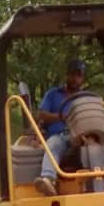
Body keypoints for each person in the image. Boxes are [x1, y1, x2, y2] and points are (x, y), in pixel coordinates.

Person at [34, 59, 86, 196]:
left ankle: (99, 182)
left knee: (94, 146)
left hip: (79, 135)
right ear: (67, 75)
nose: (75, 78)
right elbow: (41, 115)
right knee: (53, 144)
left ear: (82, 78)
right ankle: (48, 181)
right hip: (59, 135)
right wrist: (61, 116)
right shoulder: (53, 94)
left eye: (78, 75)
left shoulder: (85, 98)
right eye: (72, 75)